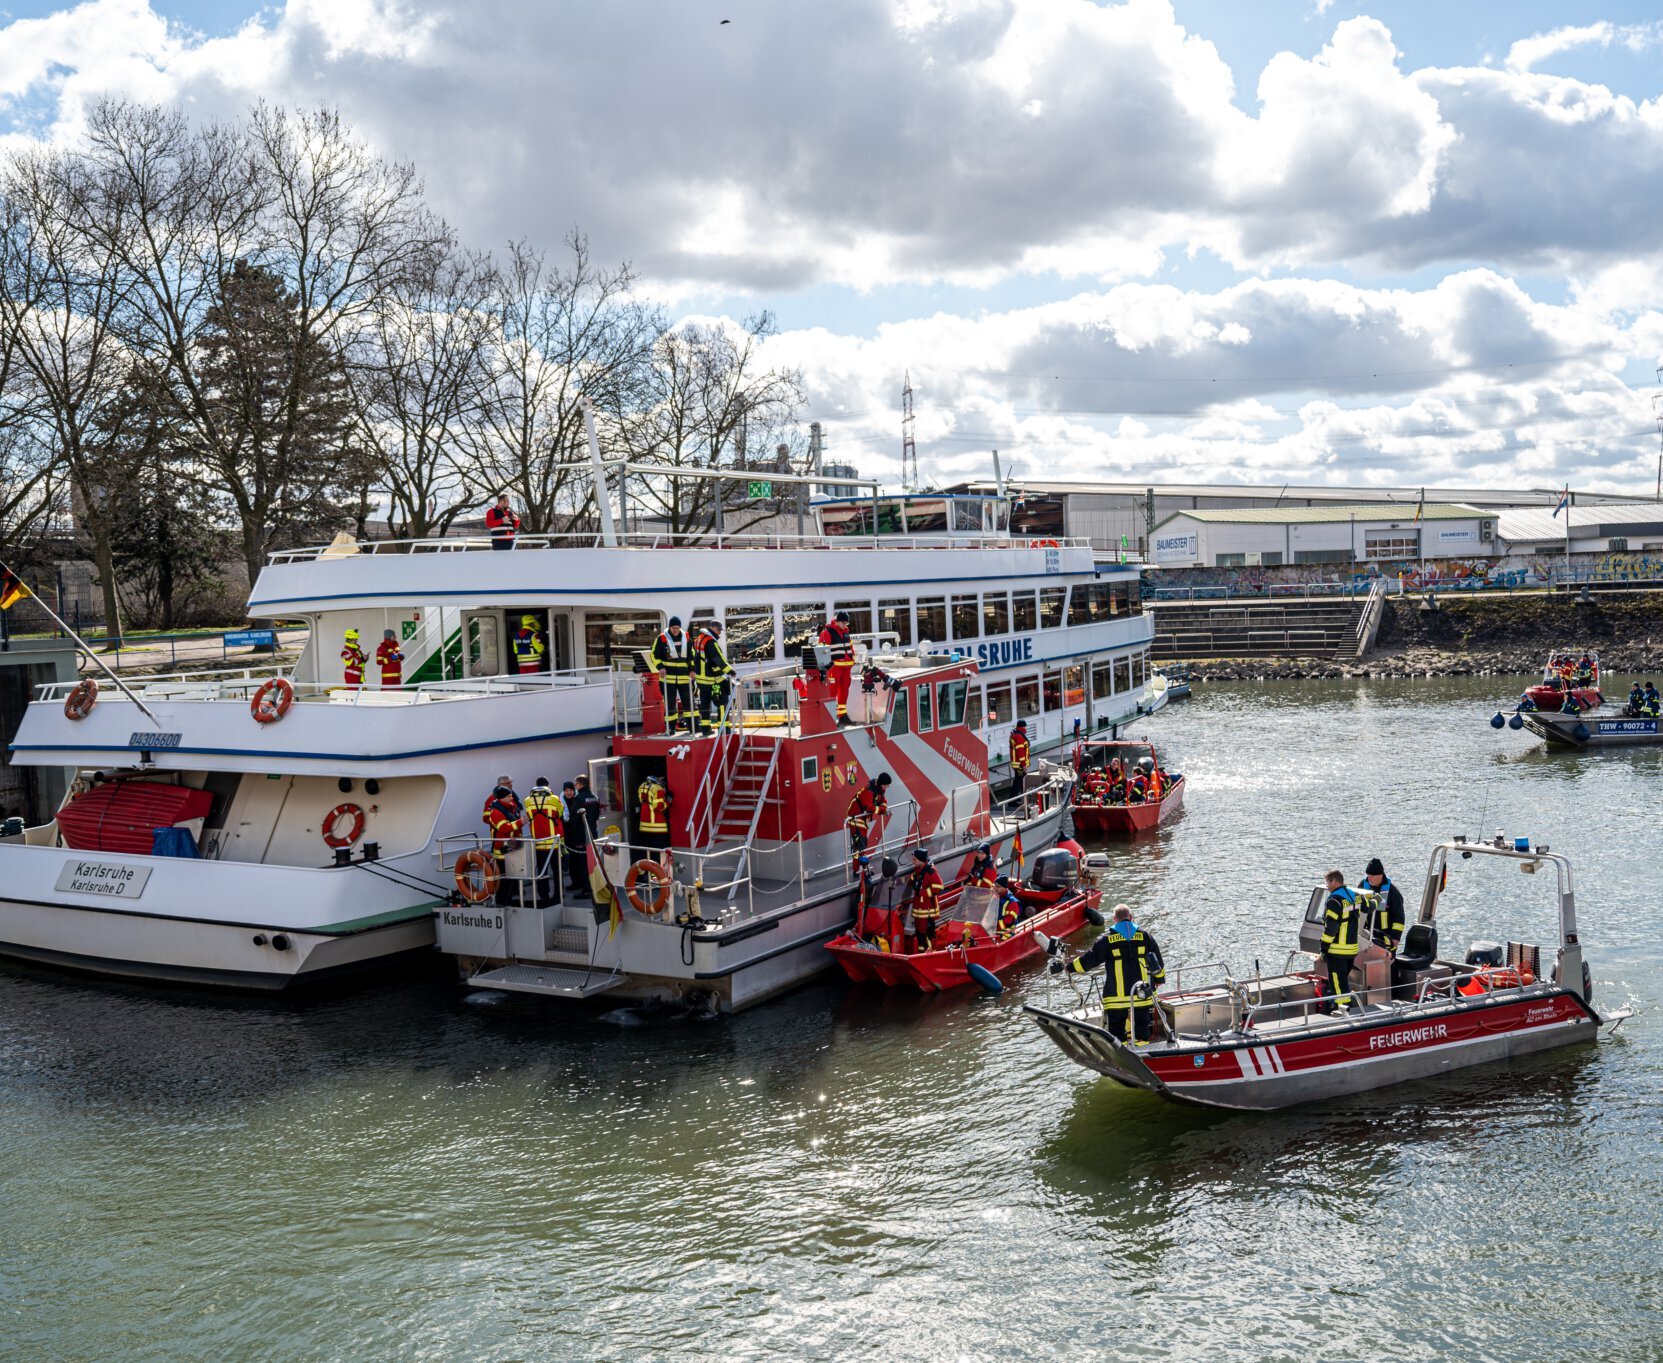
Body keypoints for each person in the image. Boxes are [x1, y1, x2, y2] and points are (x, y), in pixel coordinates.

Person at [1052, 903, 1165, 1045]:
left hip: (1116, 997)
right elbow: (1158, 963)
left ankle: (1122, 1052)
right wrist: (1159, 980)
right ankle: (1142, 1049)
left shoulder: (1107, 940)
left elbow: (1089, 959)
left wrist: (1069, 967)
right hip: (1141, 993)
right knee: (1142, 1028)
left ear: (1115, 919)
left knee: (1117, 1031)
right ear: (1131, 917)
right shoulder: (1146, 936)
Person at [1319, 869, 1362, 1012]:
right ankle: (1346, 1008)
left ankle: (1344, 1012)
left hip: (1337, 951)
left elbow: (1331, 929)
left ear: (1335, 882)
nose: (1327, 886)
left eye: (1328, 882)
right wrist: (1378, 899)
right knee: (1343, 982)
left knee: (1338, 985)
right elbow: (1369, 906)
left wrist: (1324, 949)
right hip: (1351, 951)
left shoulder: (1334, 901)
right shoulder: (1354, 896)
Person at [650, 616, 694, 733]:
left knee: (689, 703)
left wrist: (692, 669)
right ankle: (670, 728)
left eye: (678, 628)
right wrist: (660, 667)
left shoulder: (686, 637)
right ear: (669, 627)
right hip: (668, 679)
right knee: (670, 705)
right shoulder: (661, 638)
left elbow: (691, 655)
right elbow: (653, 655)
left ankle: (693, 728)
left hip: (684, 677)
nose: (676, 630)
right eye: (674, 628)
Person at [524, 777, 565, 905]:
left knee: (542, 871)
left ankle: (543, 896)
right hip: (553, 842)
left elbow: (529, 817)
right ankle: (558, 895)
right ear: (548, 785)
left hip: (538, 842)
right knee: (557, 870)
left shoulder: (527, 800)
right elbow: (560, 813)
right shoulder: (554, 798)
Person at [481, 783, 524, 902]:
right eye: (509, 796)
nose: (512, 798)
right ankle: (501, 902)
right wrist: (521, 822)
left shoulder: (508, 808)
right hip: (502, 852)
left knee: (510, 879)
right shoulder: (496, 812)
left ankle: (507, 900)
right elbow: (504, 828)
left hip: (510, 848)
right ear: (502, 798)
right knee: (504, 880)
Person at [693, 620, 735, 733]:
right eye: (718, 630)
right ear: (712, 628)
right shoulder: (711, 641)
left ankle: (705, 728)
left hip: (701, 679)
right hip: (713, 679)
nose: (719, 633)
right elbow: (718, 658)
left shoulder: (699, 639)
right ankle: (724, 728)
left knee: (705, 704)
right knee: (722, 703)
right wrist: (730, 671)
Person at [1358, 857, 1405, 953]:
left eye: (1373, 876)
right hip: (1366, 934)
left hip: (1386, 937)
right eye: (1368, 875)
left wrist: (1395, 938)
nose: (1369, 879)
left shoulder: (1393, 892)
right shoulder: (1362, 887)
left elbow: (1399, 917)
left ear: (1381, 875)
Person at [819, 609, 856, 724]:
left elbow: (850, 648)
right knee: (832, 692)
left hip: (846, 668)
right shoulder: (827, 632)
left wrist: (852, 659)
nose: (845, 625)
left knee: (844, 691)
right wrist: (826, 665)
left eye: (846, 623)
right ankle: (829, 717)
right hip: (834, 668)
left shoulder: (846, 632)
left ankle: (842, 715)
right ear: (837, 621)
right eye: (843, 623)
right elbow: (822, 651)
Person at [845, 772, 892, 855]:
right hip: (855, 816)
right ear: (882, 784)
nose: (888, 787)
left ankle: (862, 861)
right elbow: (869, 807)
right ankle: (858, 863)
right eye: (887, 785)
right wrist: (883, 811)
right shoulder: (869, 790)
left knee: (863, 843)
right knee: (859, 845)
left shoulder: (880, 789)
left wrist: (884, 808)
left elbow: (883, 801)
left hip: (863, 817)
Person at [907, 848, 944, 951]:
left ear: (921, 860)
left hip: (927, 912)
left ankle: (930, 954)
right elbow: (913, 881)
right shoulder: (917, 871)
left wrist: (922, 893)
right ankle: (921, 953)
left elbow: (939, 887)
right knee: (920, 935)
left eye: (914, 859)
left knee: (927, 935)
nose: (913, 862)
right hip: (919, 911)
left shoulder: (931, 872)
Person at [560, 780, 589, 899]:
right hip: (567, 834)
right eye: (566, 790)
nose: (569, 793)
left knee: (579, 860)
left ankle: (582, 883)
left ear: (574, 790)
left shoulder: (578, 800)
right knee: (571, 860)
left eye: (571, 790)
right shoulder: (560, 802)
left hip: (577, 834)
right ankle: (575, 882)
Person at [637, 773, 671, 848]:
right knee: (657, 850)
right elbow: (658, 807)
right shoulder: (658, 789)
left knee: (648, 849)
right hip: (657, 827)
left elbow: (641, 801)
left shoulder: (642, 786)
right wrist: (668, 802)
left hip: (644, 825)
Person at [993, 875, 1023, 940]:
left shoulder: (1012, 902)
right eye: (994, 885)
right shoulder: (994, 896)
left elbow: (1009, 922)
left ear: (1004, 888)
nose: (995, 888)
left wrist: (992, 927)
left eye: (998, 886)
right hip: (992, 929)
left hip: (1006, 931)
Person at [1007, 719, 1030, 800]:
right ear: (1023, 727)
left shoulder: (1015, 734)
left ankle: (1020, 798)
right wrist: (1024, 765)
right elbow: (1020, 753)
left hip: (1017, 763)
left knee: (1019, 781)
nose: (1026, 729)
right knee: (1018, 782)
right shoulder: (1018, 736)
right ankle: (1013, 801)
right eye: (1025, 727)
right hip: (1019, 764)